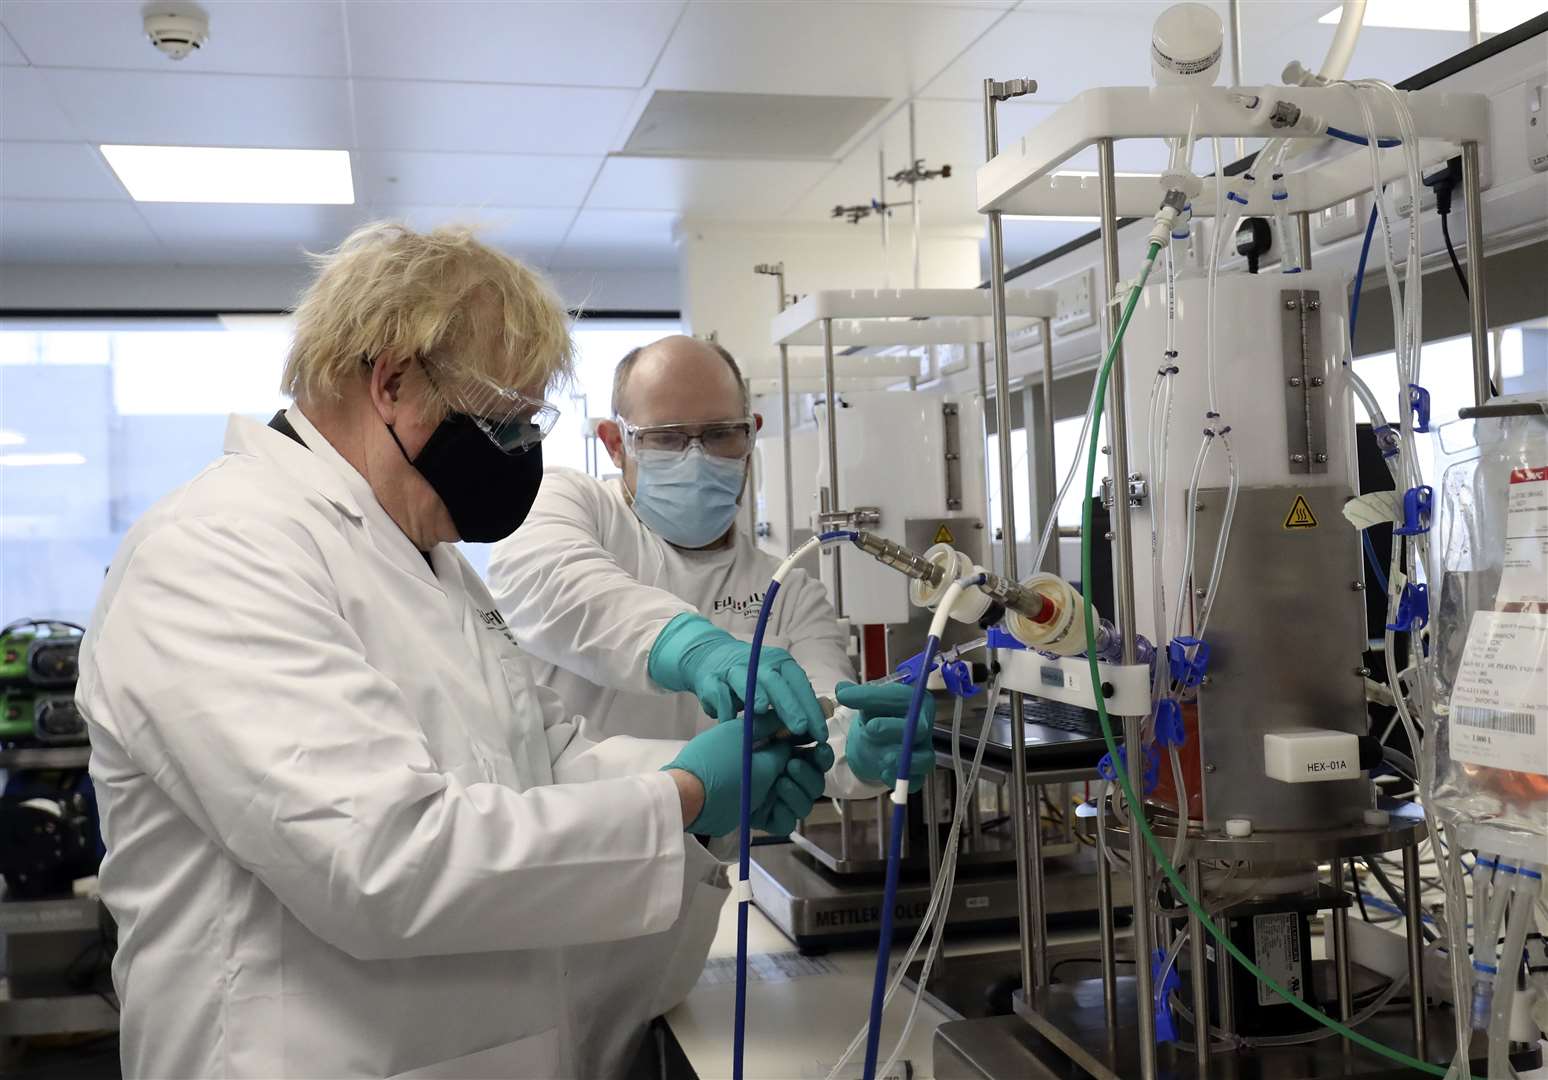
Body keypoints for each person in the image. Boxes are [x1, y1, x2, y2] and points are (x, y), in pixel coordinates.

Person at [74, 225, 831, 1080]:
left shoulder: (428, 561)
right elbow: (384, 861)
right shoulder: (216, 551)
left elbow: (544, 763)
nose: (520, 456)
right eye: (504, 421)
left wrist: (711, 787)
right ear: (392, 381)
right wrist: (685, 794)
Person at [486, 334, 934, 1075]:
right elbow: (554, 584)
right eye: (666, 438)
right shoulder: (571, 505)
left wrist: (860, 747)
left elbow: (824, 713)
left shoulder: (790, 592)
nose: (696, 457)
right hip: (549, 902)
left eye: (719, 433)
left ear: (750, 436)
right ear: (614, 442)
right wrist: (695, 649)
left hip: (676, 931)